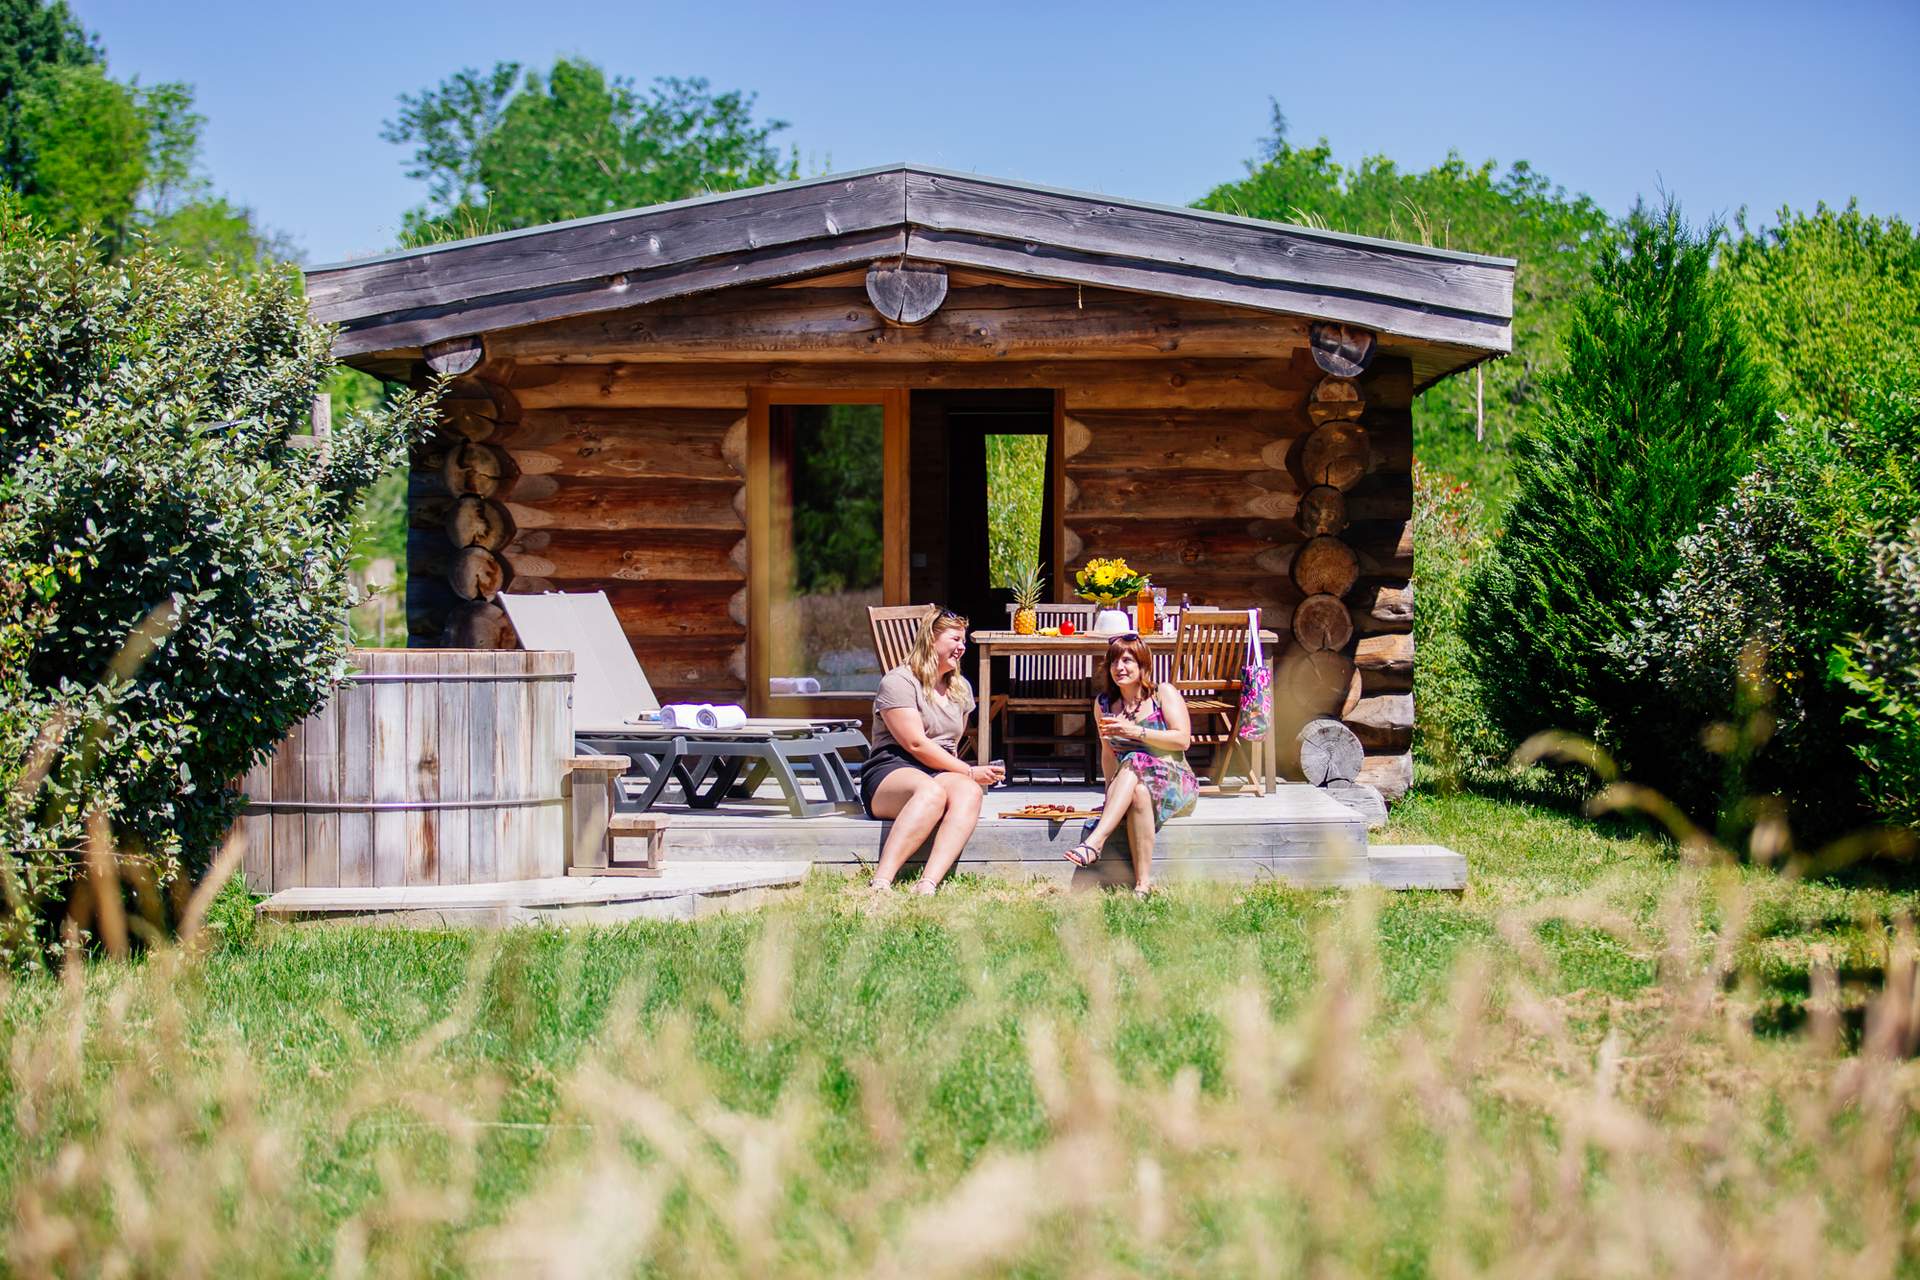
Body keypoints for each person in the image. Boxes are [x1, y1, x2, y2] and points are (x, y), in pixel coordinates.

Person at [862, 609, 1004, 894]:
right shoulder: (899, 682)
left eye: (964, 640)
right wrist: (968, 771)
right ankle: (881, 882)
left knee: (970, 792)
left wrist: (968, 777)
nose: (962, 647)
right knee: (932, 792)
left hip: (936, 771)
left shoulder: (960, 688)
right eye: (955, 638)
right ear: (931, 638)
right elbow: (914, 744)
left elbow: (951, 744)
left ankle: (927, 884)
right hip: (892, 767)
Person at [1065, 633, 1197, 895]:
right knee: (1137, 791)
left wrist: (1134, 732)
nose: (1119, 668)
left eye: (1127, 661)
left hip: (1175, 781)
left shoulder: (1162, 693)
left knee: (1135, 758)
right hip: (1134, 784)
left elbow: (1183, 740)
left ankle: (1096, 841)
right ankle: (1142, 885)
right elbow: (1107, 754)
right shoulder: (1104, 704)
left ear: (1143, 665)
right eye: (1114, 661)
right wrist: (1112, 798)